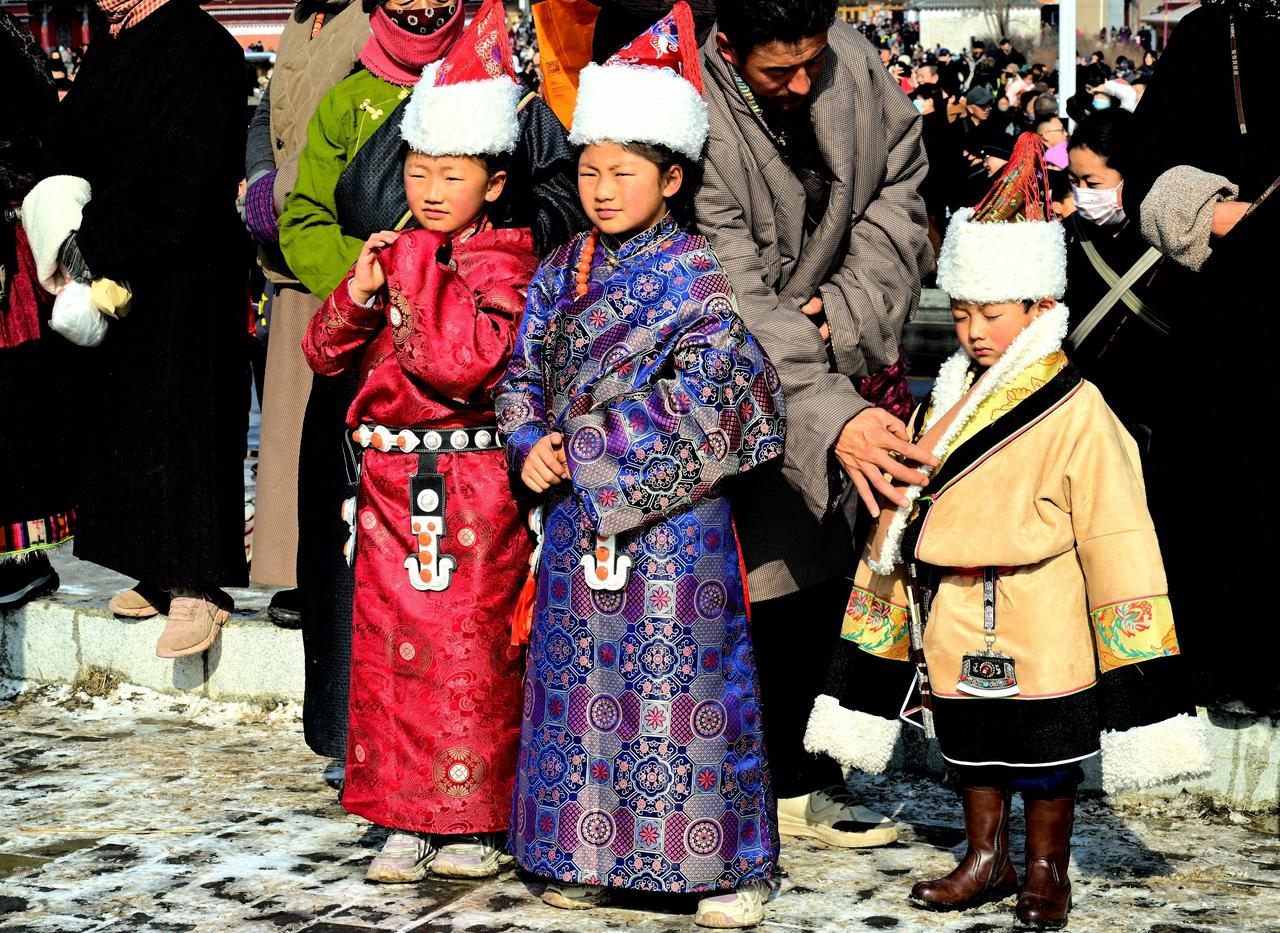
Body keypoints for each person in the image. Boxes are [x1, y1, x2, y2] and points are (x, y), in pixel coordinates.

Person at [805, 134, 1210, 931]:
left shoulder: (1080, 409)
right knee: (974, 743)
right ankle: (985, 856)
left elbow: (1118, 532)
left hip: (1041, 600)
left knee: (1047, 751)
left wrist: (1138, 670)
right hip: (956, 605)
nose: (975, 331)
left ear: (1038, 308)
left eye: (992, 313)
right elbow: (901, 513)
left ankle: (1046, 867)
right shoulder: (941, 401)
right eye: (961, 313)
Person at [496, 5, 786, 926]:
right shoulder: (562, 266)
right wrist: (528, 438)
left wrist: (583, 447)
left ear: (671, 176)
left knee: (682, 691)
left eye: (624, 172)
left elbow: (717, 398)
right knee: (581, 690)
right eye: (589, 169)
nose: (602, 187)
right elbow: (522, 368)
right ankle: (577, 847)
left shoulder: (696, 276)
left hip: (672, 529)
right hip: (583, 522)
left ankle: (723, 867)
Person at [302, 0, 534, 883]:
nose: (431, 192)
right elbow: (323, 352)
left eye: (453, 175)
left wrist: (409, 273)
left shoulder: (504, 262)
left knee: (470, 648)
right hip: (389, 489)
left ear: (495, 183)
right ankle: (402, 812)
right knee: (392, 653)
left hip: (474, 484)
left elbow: (466, 361)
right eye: (420, 172)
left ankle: (470, 815)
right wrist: (359, 289)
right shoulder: (395, 250)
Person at [696, 0, 935, 851]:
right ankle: (766, 774)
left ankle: (814, 764)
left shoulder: (857, 63)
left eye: (812, 64)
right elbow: (728, 286)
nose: (803, 83)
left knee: (845, 556)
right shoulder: (692, 102)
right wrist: (825, 397)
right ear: (730, 47)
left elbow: (901, 198)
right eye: (778, 73)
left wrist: (841, 311)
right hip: (738, 367)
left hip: (849, 343)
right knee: (765, 566)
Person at [24, 0, 249, 656]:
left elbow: (183, 174)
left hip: (183, 275)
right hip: (116, 268)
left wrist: (92, 237)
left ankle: (198, 587)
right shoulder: (114, 40)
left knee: (185, 424)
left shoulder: (199, 46)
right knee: (129, 421)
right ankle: (155, 568)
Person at [279, 0, 466, 773]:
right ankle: (342, 726)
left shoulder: (496, 93)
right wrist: (376, 283)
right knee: (340, 547)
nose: (423, 11)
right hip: (359, 348)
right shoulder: (345, 100)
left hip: (458, 360)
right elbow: (305, 221)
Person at [1122, 0, 1280, 713]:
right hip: (1232, 313)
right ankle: (1224, 669)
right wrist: (1207, 212)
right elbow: (1147, 164)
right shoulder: (1213, 31)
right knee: (1219, 486)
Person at [243, 0, 371, 630]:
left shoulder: (371, 21)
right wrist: (260, 182)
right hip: (285, 243)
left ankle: (333, 570)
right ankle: (294, 568)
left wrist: (281, 192)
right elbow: (266, 113)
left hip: (338, 237)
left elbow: (347, 133)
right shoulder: (301, 18)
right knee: (291, 417)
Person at [0, 12, 72, 607]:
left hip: (0, 242)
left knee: (10, 400)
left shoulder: (4, 38)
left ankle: (20, 559)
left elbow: (35, 137)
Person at [1062, 108, 1171, 450]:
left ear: (1133, 174)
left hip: (1154, 408)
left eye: (1093, 183)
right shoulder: (1068, 235)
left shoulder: (1171, 238)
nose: (1082, 194)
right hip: (1085, 410)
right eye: (1073, 182)